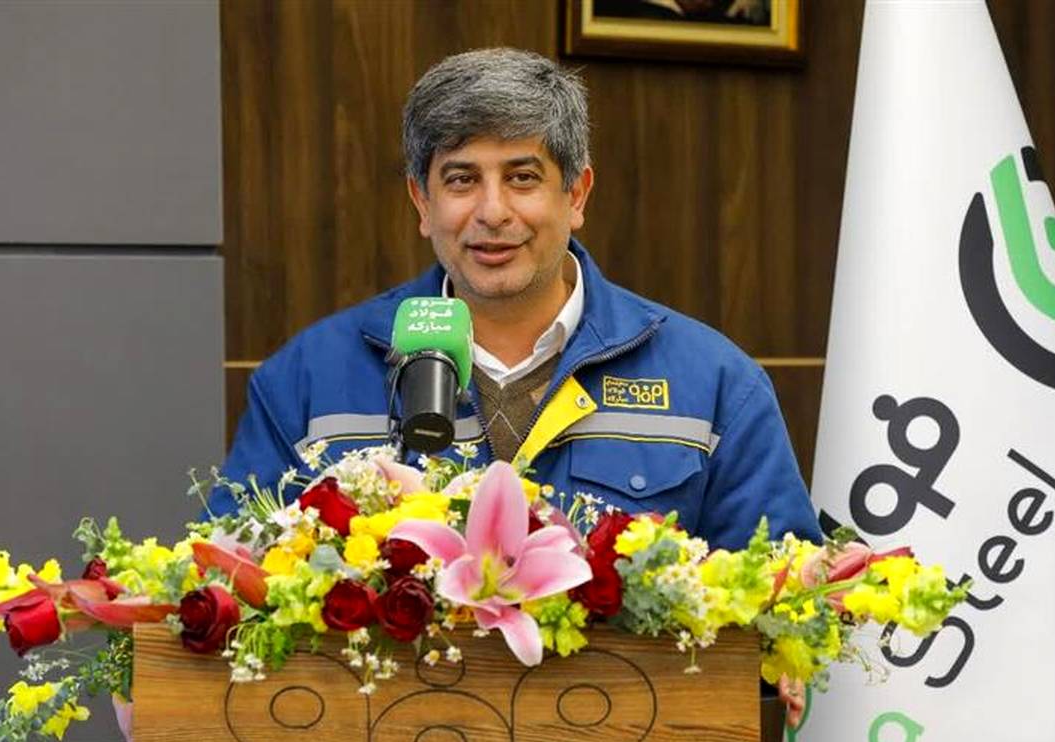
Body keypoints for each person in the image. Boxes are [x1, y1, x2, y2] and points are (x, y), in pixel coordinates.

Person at [212, 48, 820, 548]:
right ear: (422, 202)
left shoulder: (714, 384)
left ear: (576, 195)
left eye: (522, 178)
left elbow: (783, 613)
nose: (493, 212)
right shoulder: (306, 381)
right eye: (461, 179)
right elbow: (225, 586)